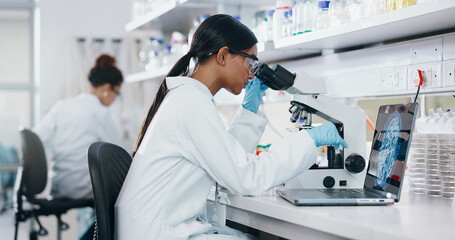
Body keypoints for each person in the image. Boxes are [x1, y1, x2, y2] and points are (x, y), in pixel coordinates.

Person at [115, 14, 347, 240]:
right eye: (251, 61)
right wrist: (309, 139)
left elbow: (228, 161)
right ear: (223, 55)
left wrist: (249, 110)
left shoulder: (189, 98)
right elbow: (247, 178)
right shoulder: (190, 104)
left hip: (157, 227)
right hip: (158, 233)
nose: (252, 72)